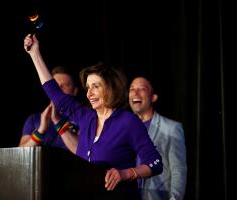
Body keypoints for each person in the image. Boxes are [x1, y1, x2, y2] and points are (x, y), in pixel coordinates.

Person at [23, 33, 163, 199]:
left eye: (96, 86)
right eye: (88, 87)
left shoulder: (128, 121)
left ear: (110, 88)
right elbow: (55, 93)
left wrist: (125, 174)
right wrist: (35, 54)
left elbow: (155, 163)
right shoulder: (86, 117)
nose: (89, 93)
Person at [128, 76, 187, 200]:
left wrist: (175, 198)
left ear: (153, 97)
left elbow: (178, 169)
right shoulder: (123, 127)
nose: (135, 93)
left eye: (141, 89)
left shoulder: (172, 128)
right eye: (132, 89)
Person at [18, 66, 79, 148]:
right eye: (55, 85)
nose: (59, 89)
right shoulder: (34, 119)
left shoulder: (84, 117)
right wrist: (41, 130)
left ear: (75, 91)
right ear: (49, 89)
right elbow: (20, 153)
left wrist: (57, 121)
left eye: (66, 85)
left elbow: (82, 152)